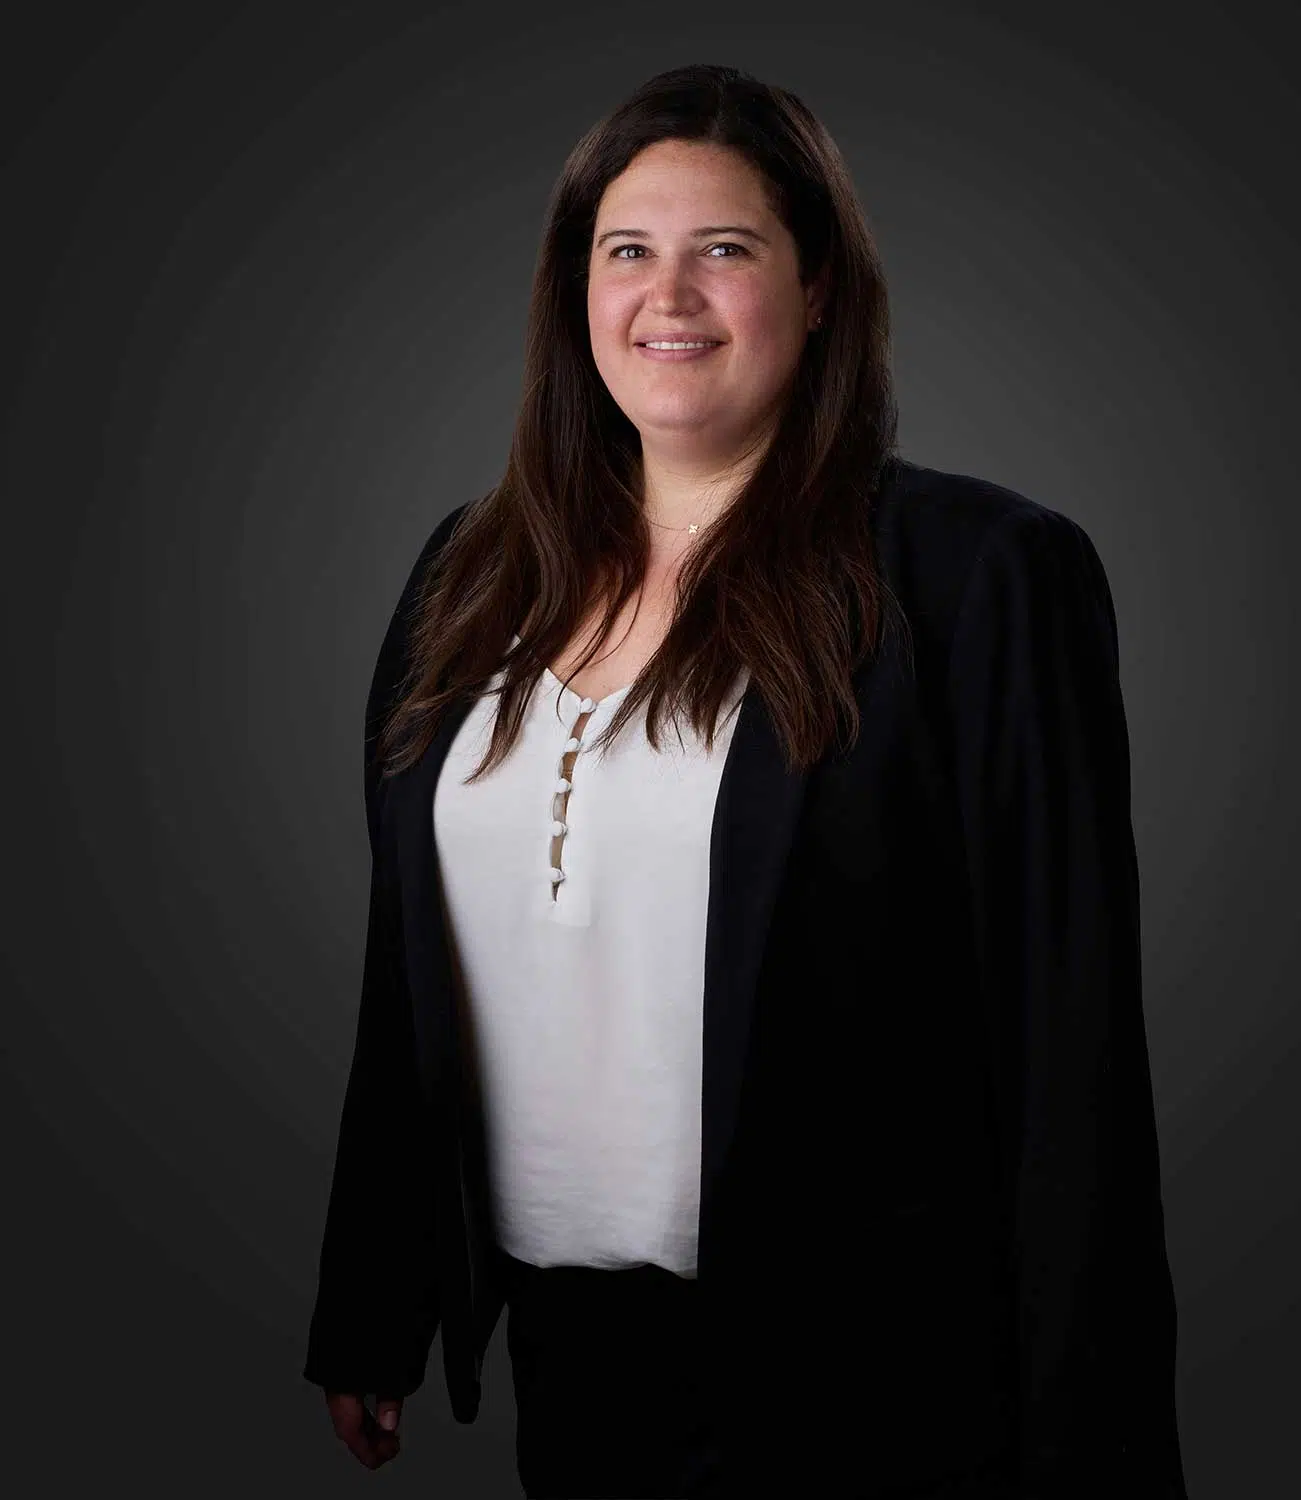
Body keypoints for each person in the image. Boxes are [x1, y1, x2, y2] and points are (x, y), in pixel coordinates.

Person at [302, 62, 1189, 1500]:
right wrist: (376, 1297)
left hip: (878, 1372)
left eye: (726, 249)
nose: (671, 298)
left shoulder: (977, 579)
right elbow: (408, 965)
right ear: (574, 292)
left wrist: (1097, 1453)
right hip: (571, 1355)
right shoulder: (469, 578)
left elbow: (1070, 1060)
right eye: (627, 252)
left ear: (821, 285)